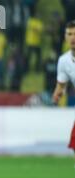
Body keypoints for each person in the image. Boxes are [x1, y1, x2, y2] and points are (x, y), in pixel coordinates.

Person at [53, 20, 75, 164]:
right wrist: (57, 94)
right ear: (65, 37)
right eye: (69, 34)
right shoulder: (64, 61)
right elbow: (61, 85)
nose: (73, 37)